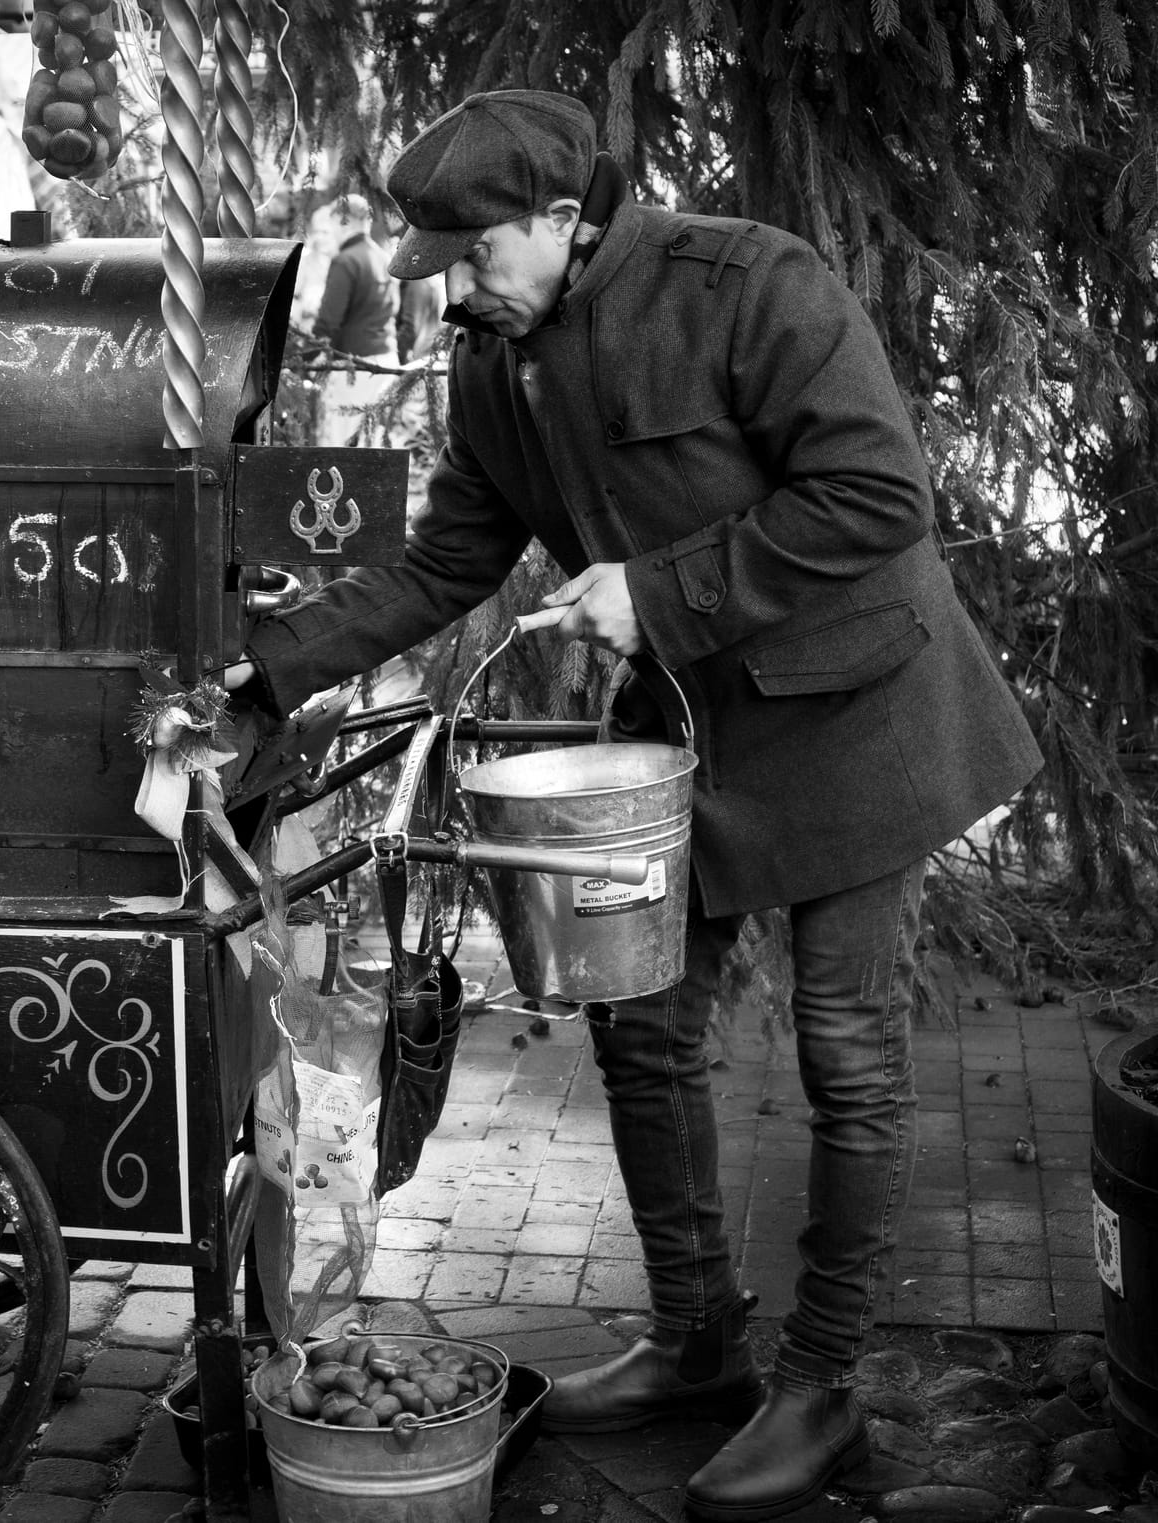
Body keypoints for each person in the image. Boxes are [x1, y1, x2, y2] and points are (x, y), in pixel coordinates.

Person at [224, 91, 1042, 1522]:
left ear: (559, 219)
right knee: (645, 1033)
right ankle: (695, 1337)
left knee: (850, 1059)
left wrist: (659, 592)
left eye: (478, 254)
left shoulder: (751, 283)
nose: (460, 289)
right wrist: (266, 676)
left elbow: (877, 493)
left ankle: (823, 1382)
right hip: (678, 744)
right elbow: (441, 568)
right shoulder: (497, 367)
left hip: (858, 724)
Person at [307, 193, 400, 446]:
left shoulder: (346, 261)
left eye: (332, 224)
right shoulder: (383, 257)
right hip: (386, 362)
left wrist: (299, 360)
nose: (332, 232)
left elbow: (328, 322)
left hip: (354, 367)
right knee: (372, 442)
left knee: (340, 443)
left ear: (344, 221)